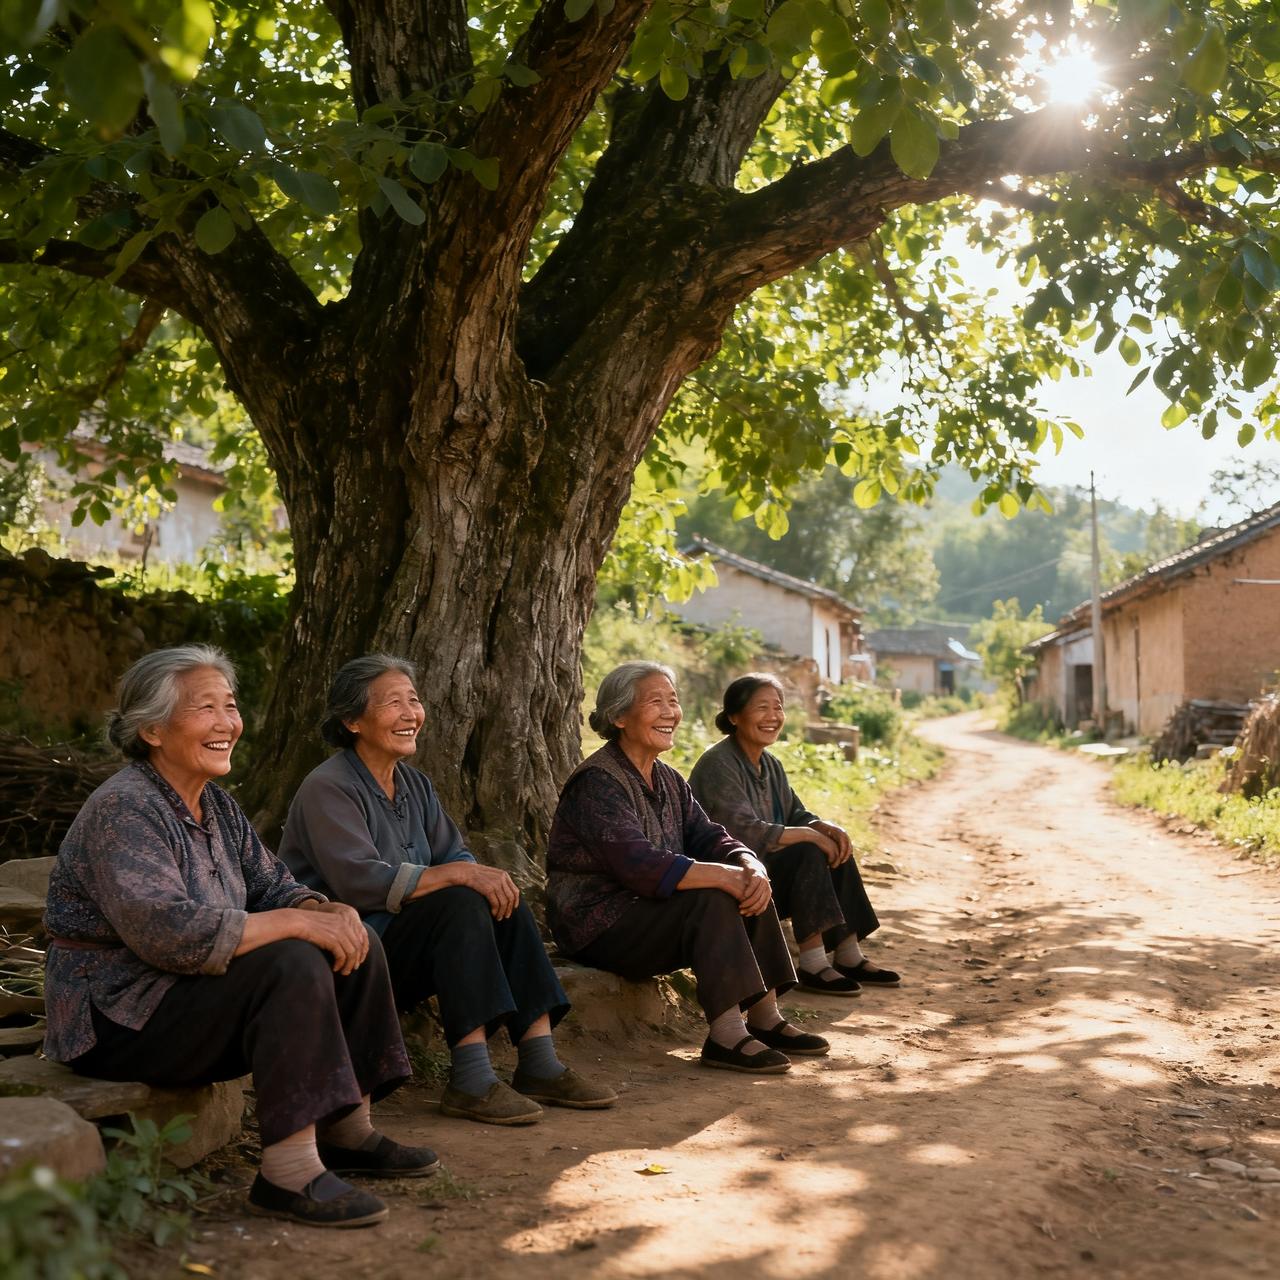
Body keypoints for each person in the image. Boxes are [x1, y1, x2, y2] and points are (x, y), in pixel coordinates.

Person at [43, 646, 433, 1230]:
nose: (228, 722)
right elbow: (168, 934)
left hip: (179, 995)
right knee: (294, 960)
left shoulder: (215, 805)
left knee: (352, 935)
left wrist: (320, 909)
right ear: (151, 728)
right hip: (116, 1014)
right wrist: (300, 924)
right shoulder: (125, 808)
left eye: (230, 705)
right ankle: (288, 1172)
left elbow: (275, 884)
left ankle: (348, 1131)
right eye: (206, 708)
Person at [278, 654, 616, 1126]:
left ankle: (539, 1061)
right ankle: (471, 1078)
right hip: (355, 953)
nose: (410, 713)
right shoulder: (328, 787)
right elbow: (360, 881)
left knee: (501, 895)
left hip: (408, 938)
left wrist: (475, 876)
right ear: (352, 720)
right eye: (392, 702)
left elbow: (454, 855)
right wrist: (459, 877)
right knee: (460, 899)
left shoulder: (414, 784)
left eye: (413, 700)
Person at [547, 661, 831, 1073]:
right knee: (715, 895)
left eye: (673, 700)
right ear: (619, 717)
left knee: (749, 882)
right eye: (655, 702)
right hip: (598, 925)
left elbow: (710, 836)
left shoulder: (667, 778)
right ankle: (726, 1035)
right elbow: (637, 864)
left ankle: (765, 1018)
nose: (669, 711)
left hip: (648, 915)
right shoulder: (597, 782)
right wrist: (724, 876)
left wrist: (748, 863)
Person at [689, 673, 900, 995]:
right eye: (762, 707)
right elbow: (740, 829)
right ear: (734, 716)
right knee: (807, 851)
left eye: (778, 707)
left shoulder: (770, 763)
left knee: (834, 846)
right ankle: (813, 963)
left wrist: (823, 828)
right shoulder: (718, 764)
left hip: (771, 868)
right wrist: (809, 837)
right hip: (736, 874)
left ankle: (848, 954)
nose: (773, 716)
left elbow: (795, 813)